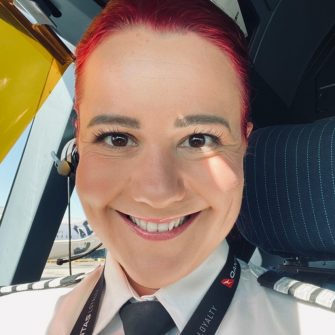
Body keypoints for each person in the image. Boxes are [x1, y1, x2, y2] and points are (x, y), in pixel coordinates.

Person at [1, 0, 335, 334]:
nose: (157, 192)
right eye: (117, 138)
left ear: (244, 145)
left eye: (199, 139)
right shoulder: (12, 317)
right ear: (79, 144)